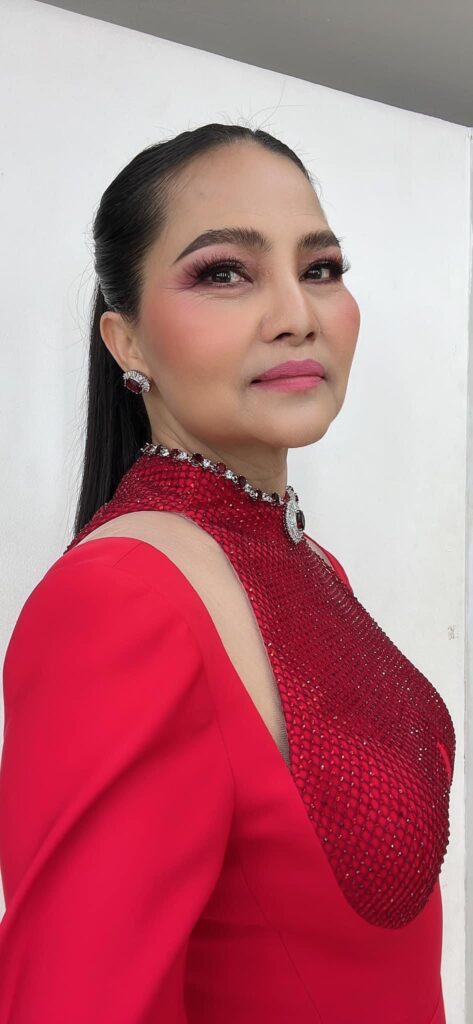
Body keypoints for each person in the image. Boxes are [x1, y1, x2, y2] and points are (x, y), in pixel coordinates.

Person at [0, 123, 455, 1023]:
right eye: (223, 273)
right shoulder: (121, 597)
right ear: (126, 342)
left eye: (319, 268)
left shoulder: (312, 563)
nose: (296, 313)